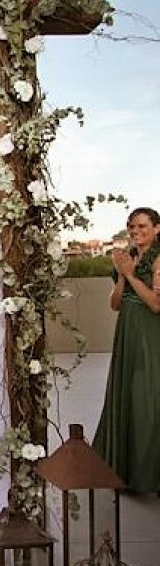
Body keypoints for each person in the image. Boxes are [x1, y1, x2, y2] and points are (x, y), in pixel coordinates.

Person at [93, 206, 160, 494]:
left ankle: (148, 475)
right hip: (126, 333)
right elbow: (115, 304)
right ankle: (122, 471)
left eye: (143, 226)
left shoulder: (159, 259)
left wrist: (132, 276)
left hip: (150, 334)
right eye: (132, 226)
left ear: (157, 228)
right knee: (126, 395)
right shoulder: (127, 257)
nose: (136, 231)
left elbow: (156, 305)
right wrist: (122, 275)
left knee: (147, 397)